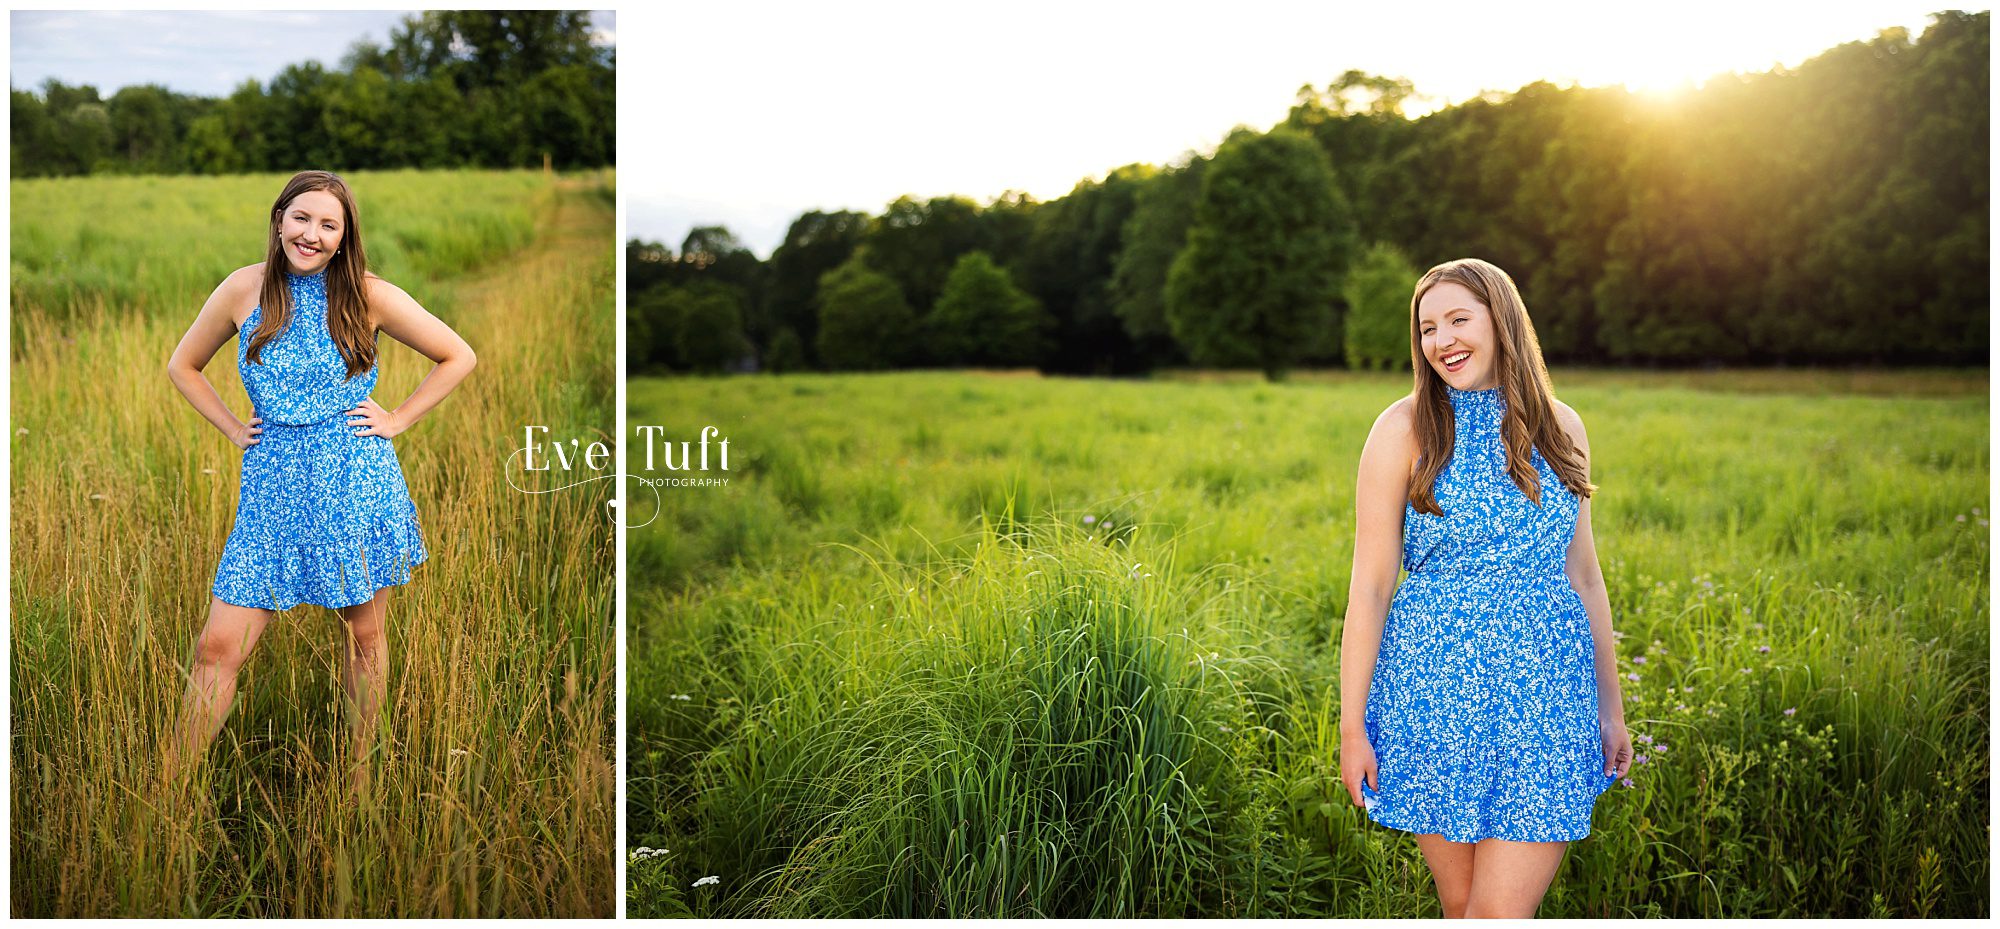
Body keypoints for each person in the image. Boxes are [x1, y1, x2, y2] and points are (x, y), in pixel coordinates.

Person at [162, 170, 477, 792]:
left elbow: (457, 354)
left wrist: (397, 418)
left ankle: (359, 785)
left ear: (343, 236)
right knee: (217, 647)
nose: (311, 234)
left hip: (354, 482)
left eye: (328, 225)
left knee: (363, 636)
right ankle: (163, 792)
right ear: (279, 219)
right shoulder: (242, 289)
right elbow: (183, 365)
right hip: (271, 490)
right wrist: (231, 428)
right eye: (301, 219)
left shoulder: (367, 294)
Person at [1339, 257, 1631, 918]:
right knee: (1464, 907)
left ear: (1501, 320)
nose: (1441, 340)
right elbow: (1372, 587)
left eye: (1457, 319)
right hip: (1434, 700)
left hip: (1546, 702)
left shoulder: (1563, 428)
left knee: (1496, 915)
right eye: (1427, 328)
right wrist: (1351, 722)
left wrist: (1610, 709)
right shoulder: (1402, 429)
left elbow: (1584, 575)